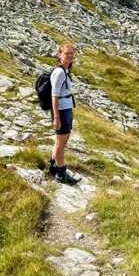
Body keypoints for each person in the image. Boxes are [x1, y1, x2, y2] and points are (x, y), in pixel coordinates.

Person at [49, 41, 79, 185]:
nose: (70, 56)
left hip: (65, 109)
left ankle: (53, 166)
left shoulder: (65, 71)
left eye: (72, 53)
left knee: (61, 141)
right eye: (67, 53)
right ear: (60, 54)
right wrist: (56, 117)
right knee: (61, 143)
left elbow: (65, 92)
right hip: (60, 111)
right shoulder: (59, 72)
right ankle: (61, 172)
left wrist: (70, 111)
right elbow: (54, 95)